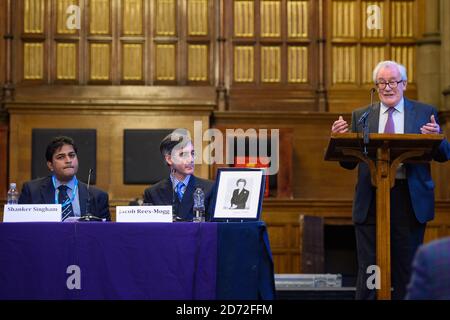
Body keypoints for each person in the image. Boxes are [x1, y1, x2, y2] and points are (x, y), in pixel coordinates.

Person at [331, 60, 450, 299]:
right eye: (382, 83)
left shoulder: (425, 112)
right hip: (372, 200)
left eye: (393, 82)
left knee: (406, 268)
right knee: (371, 270)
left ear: (404, 84)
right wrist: (339, 137)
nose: (387, 87)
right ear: (376, 86)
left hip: (409, 200)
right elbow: (348, 162)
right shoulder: (362, 115)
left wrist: (437, 137)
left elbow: (444, 154)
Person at [18, 136, 111, 221]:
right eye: (61, 157)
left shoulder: (98, 196)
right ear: (50, 165)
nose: (68, 160)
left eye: (71, 155)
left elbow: (105, 233)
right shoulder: (32, 191)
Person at [143, 131, 215, 221]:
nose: (191, 159)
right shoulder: (153, 193)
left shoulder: (211, 189)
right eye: (183, 154)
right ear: (169, 159)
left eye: (192, 153)